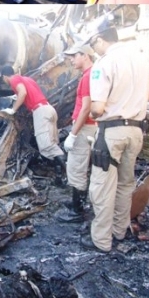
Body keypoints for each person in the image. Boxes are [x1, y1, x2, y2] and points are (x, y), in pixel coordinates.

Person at [80, 22, 149, 253]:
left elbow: (96, 109)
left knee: (102, 187)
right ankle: (119, 231)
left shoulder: (104, 64)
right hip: (136, 132)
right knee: (125, 184)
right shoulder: (141, 59)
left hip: (111, 133)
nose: (94, 50)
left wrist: (108, 106)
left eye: (93, 45)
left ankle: (102, 241)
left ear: (101, 40)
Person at [0, 65, 67, 185]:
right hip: (48, 109)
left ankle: (68, 174)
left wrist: (13, 109)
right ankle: (60, 179)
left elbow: (23, 93)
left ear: (5, 77)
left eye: (3, 79)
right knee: (53, 145)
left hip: (40, 112)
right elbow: (30, 92)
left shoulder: (14, 80)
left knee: (47, 146)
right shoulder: (27, 79)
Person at [59, 43, 96, 222]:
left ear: (85, 55)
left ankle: (77, 210)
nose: (71, 60)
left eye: (74, 56)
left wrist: (73, 134)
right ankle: (77, 202)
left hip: (84, 127)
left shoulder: (88, 76)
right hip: (87, 126)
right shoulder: (89, 75)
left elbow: (86, 108)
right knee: (80, 166)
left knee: (76, 167)